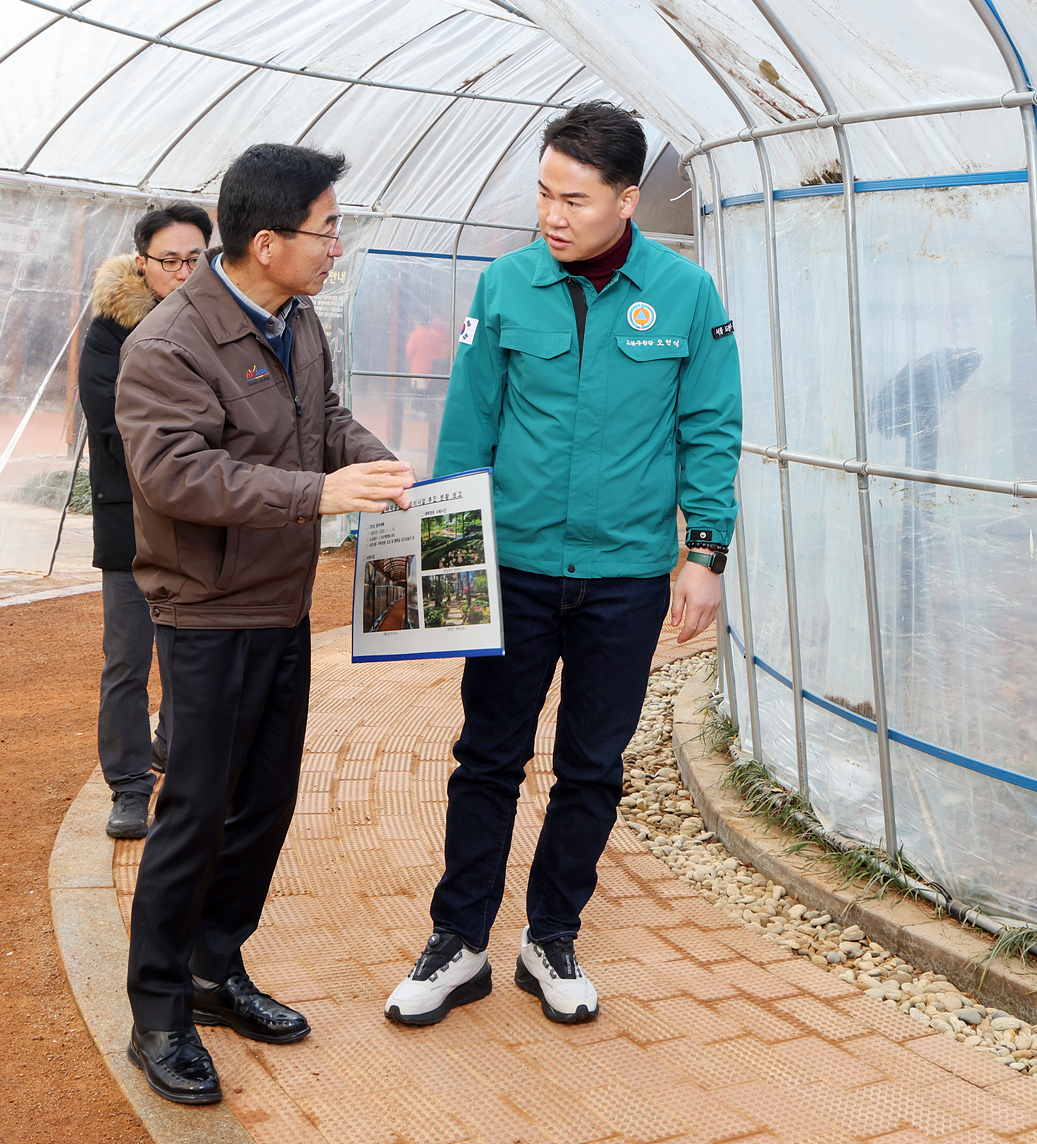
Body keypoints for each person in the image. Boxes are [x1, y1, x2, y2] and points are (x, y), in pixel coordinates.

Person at [384, 100, 741, 1027]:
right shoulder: (506, 286)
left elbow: (710, 428)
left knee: (592, 765)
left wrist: (703, 553)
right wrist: (443, 566)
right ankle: (459, 942)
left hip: (625, 575)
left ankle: (551, 938)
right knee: (487, 757)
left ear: (626, 200)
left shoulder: (688, 296)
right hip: (517, 566)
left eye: (574, 199)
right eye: (544, 193)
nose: (552, 214)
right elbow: (468, 426)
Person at [113, 143, 415, 1105]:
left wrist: (380, 466)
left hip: (281, 602)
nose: (338, 248)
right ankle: (157, 1012)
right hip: (207, 612)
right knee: (197, 812)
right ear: (268, 240)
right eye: (329, 231)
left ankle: (214, 968)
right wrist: (322, 493)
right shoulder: (168, 345)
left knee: (267, 802)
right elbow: (177, 477)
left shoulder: (298, 319)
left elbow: (320, 419)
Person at [78, 204, 213, 840]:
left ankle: (169, 749)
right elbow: (112, 428)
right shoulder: (109, 331)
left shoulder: (222, 323)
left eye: (195, 260)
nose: (183, 273)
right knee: (127, 659)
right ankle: (130, 786)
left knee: (187, 654)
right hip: (130, 524)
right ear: (142, 263)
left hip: (195, 522)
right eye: (169, 261)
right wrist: (193, 454)